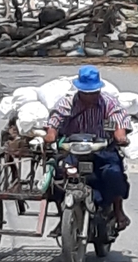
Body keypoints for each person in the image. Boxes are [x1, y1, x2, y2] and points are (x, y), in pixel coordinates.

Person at [43, 66, 132, 230]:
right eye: (86, 92)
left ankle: (118, 211)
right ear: (79, 90)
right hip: (73, 151)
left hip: (102, 150)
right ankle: (64, 217)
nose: (91, 96)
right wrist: (50, 135)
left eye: (94, 92)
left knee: (113, 174)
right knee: (58, 179)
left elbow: (119, 118)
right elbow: (55, 119)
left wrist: (121, 136)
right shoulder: (67, 103)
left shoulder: (108, 102)